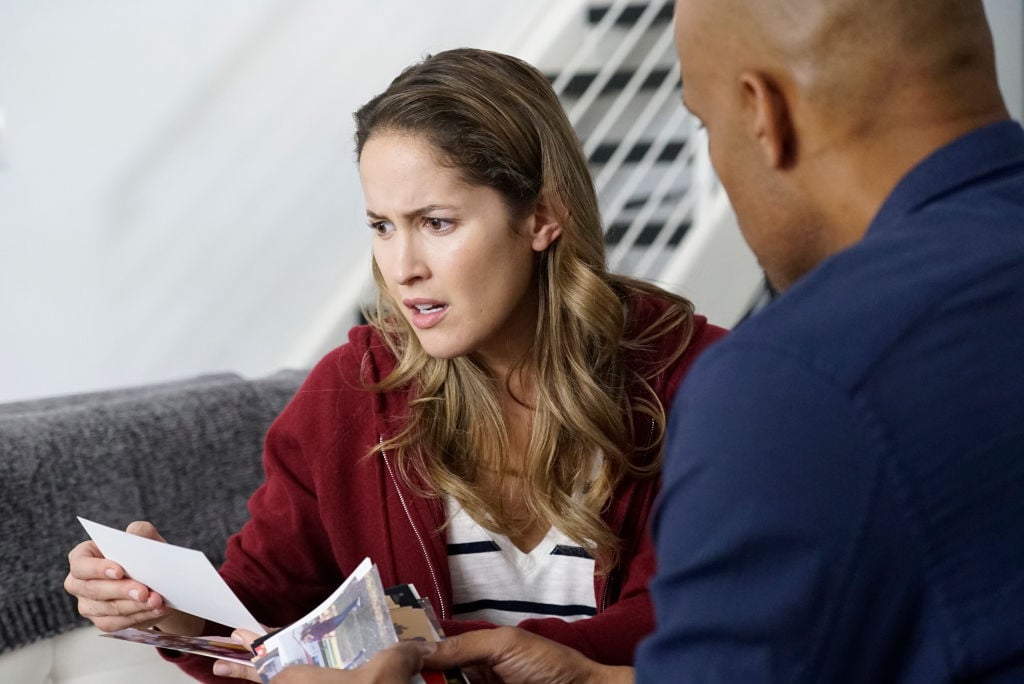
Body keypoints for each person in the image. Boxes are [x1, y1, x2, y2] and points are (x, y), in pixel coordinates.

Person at [256, 0, 1024, 681]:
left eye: (705, 124)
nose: (403, 267)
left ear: (764, 113)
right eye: (382, 227)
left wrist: (411, 656)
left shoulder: (782, 381)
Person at [63, 47, 726, 682]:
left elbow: (694, 619)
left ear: (542, 217)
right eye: (382, 226)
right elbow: (268, 605)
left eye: (436, 222)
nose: (402, 269)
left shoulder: (703, 381)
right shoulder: (347, 398)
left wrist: (440, 664)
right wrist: (171, 609)